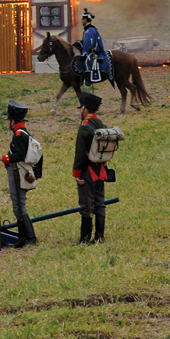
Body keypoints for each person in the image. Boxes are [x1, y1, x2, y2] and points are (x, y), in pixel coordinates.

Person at [0, 101, 38, 248]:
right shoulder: (21, 133)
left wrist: (2, 158)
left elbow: (19, 155)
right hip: (16, 172)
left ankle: (30, 237)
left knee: (19, 207)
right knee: (17, 207)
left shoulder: (19, 134)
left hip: (18, 174)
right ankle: (22, 238)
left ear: (12, 121)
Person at [72, 91, 108, 245]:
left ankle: (85, 239)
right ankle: (99, 236)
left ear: (85, 110)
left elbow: (80, 153)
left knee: (87, 205)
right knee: (100, 203)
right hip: (101, 170)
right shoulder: (101, 124)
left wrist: (77, 173)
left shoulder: (85, 127)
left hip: (87, 171)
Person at [75, 8, 112, 83]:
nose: (81, 20)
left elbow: (88, 43)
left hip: (94, 52)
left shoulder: (90, 30)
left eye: (82, 19)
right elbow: (85, 41)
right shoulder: (88, 30)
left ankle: (88, 80)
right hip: (92, 50)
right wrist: (78, 43)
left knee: (86, 61)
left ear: (86, 20)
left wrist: (84, 53)